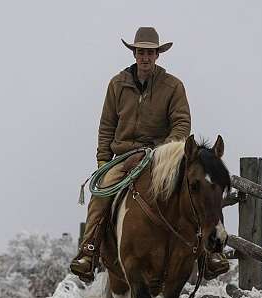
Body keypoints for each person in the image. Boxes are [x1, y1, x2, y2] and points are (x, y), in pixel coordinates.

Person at [70, 27, 229, 283]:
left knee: (195, 192)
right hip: (123, 155)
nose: (145, 56)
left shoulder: (173, 86)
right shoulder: (117, 84)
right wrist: (103, 160)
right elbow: (107, 125)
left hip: (160, 157)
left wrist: (163, 151)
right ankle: (89, 250)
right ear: (134, 53)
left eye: (150, 52)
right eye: (141, 51)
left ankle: (211, 254)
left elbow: (181, 123)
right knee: (101, 194)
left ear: (158, 54)